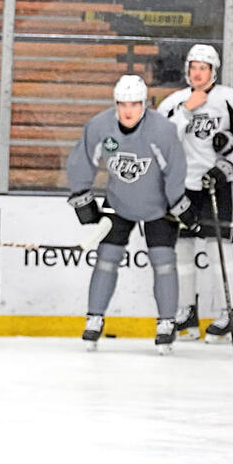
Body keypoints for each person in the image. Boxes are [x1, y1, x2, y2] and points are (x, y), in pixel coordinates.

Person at [66, 75, 196, 354]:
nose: (128, 111)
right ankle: (94, 318)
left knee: (164, 262)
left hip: (158, 205)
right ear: (115, 103)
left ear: (144, 104)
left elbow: (175, 168)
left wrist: (178, 202)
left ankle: (166, 322)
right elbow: (83, 159)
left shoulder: (162, 130)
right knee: (106, 258)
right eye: (122, 104)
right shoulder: (99, 126)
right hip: (119, 202)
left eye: (135, 104)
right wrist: (81, 194)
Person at [157, 44, 233, 343]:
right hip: (181, 186)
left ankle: (228, 311)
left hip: (216, 185)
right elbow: (161, 142)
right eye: (193, 67)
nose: (198, 73)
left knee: (219, 248)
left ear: (213, 71)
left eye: (203, 68)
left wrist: (225, 166)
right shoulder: (173, 103)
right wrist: (186, 111)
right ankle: (185, 312)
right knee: (181, 249)